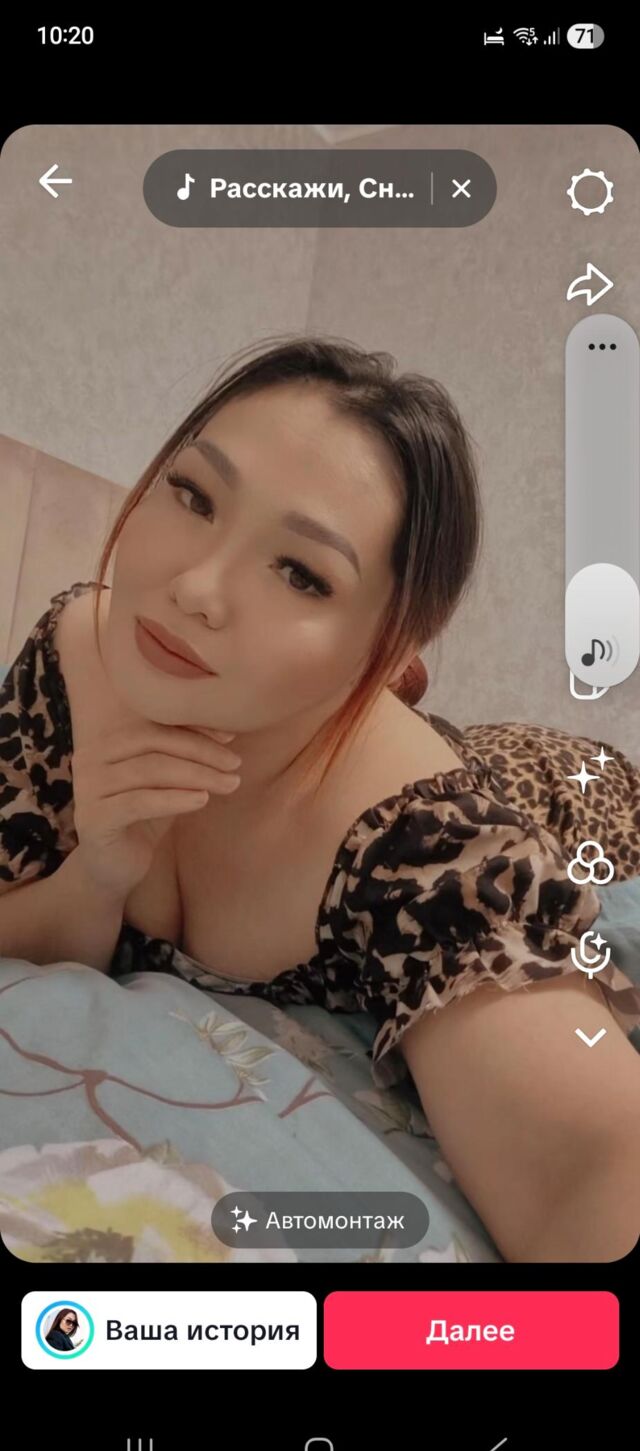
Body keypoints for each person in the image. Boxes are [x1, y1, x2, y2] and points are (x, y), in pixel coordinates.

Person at [1, 333, 639, 1264]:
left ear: (387, 647)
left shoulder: (428, 845)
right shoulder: (76, 652)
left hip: (570, 783)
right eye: (193, 495)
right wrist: (96, 874)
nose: (195, 588)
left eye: (301, 573)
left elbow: (589, 1172)